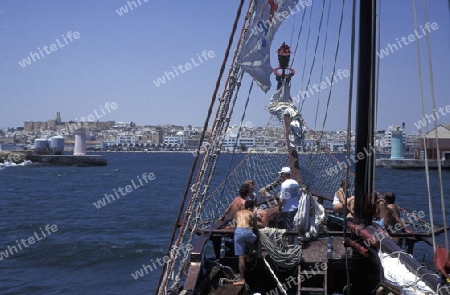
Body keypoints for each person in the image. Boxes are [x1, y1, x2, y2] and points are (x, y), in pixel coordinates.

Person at [233, 200, 258, 286]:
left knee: (241, 257)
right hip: (248, 232)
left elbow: (235, 224)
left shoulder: (238, 213)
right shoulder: (251, 213)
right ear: (251, 207)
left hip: (238, 232)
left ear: (244, 206)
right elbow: (255, 226)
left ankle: (242, 278)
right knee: (255, 239)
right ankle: (250, 253)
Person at [278, 167, 300, 243]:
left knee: (289, 228)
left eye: (281, 174)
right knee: (294, 226)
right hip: (296, 207)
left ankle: (291, 244)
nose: (280, 176)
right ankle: (295, 243)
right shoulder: (295, 183)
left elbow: (282, 199)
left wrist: (279, 208)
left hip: (288, 209)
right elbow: (298, 195)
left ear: (284, 174)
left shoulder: (284, 185)